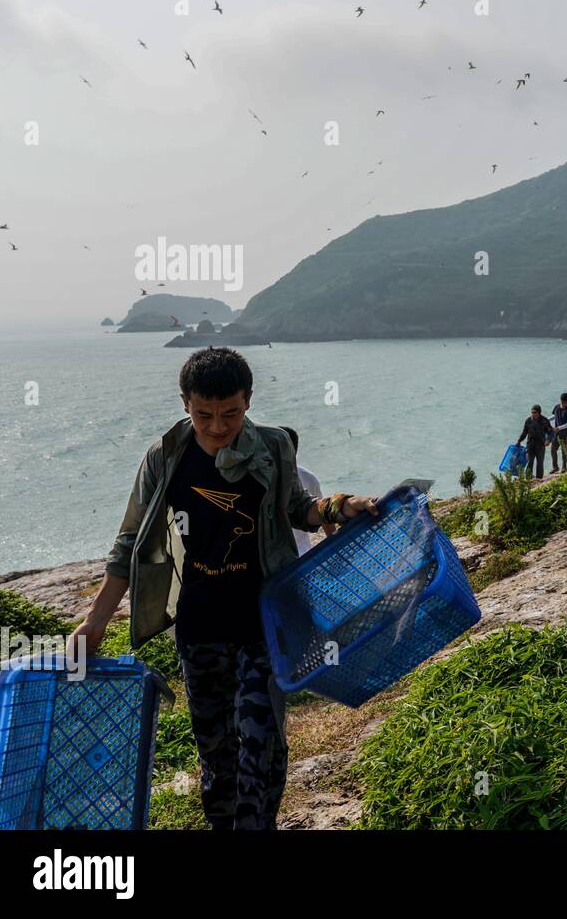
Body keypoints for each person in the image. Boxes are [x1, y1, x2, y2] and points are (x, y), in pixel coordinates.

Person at [68, 347, 379, 830]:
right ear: (185, 404)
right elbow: (129, 542)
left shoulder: (274, 446)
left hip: (264, 620)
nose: (218, 426)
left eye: (230, 413)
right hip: (199, 624)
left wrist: (341, 505)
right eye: (204, 414)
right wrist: (95, 621)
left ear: (248, 401)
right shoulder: (165, 457)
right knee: (216, 752)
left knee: (261, 739)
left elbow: (300, 507)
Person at [280, 426, 337, 555]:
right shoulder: (259, 480)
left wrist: (334, 545)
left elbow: (321, 511)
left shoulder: (307, 478)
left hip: (301, 553)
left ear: (293, 454)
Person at [517, 404, 556, 479]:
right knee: (529, 462)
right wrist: (519, 441)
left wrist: (548, 440)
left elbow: (551, 432)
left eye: (535, 412)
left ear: (539, 413)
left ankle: (539, 479)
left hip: (540, 445)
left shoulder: (544, 421)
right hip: (530, 445)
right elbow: (524, 432)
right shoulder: (528, 421)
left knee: (540, 463)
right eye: (532, 412)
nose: (533, 414)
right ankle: (528, 479)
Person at [550, 392, 567, 474]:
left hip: (566, 434)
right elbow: (554, 416)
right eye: (563, 402)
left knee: (565, 451)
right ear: (560, 400)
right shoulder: (556, 407)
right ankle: (555, 467)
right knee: (553, 449)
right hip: (557, 434)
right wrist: (547, 420)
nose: (564, 404)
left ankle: (564, 467)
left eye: (566, 403)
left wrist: (558, 428)